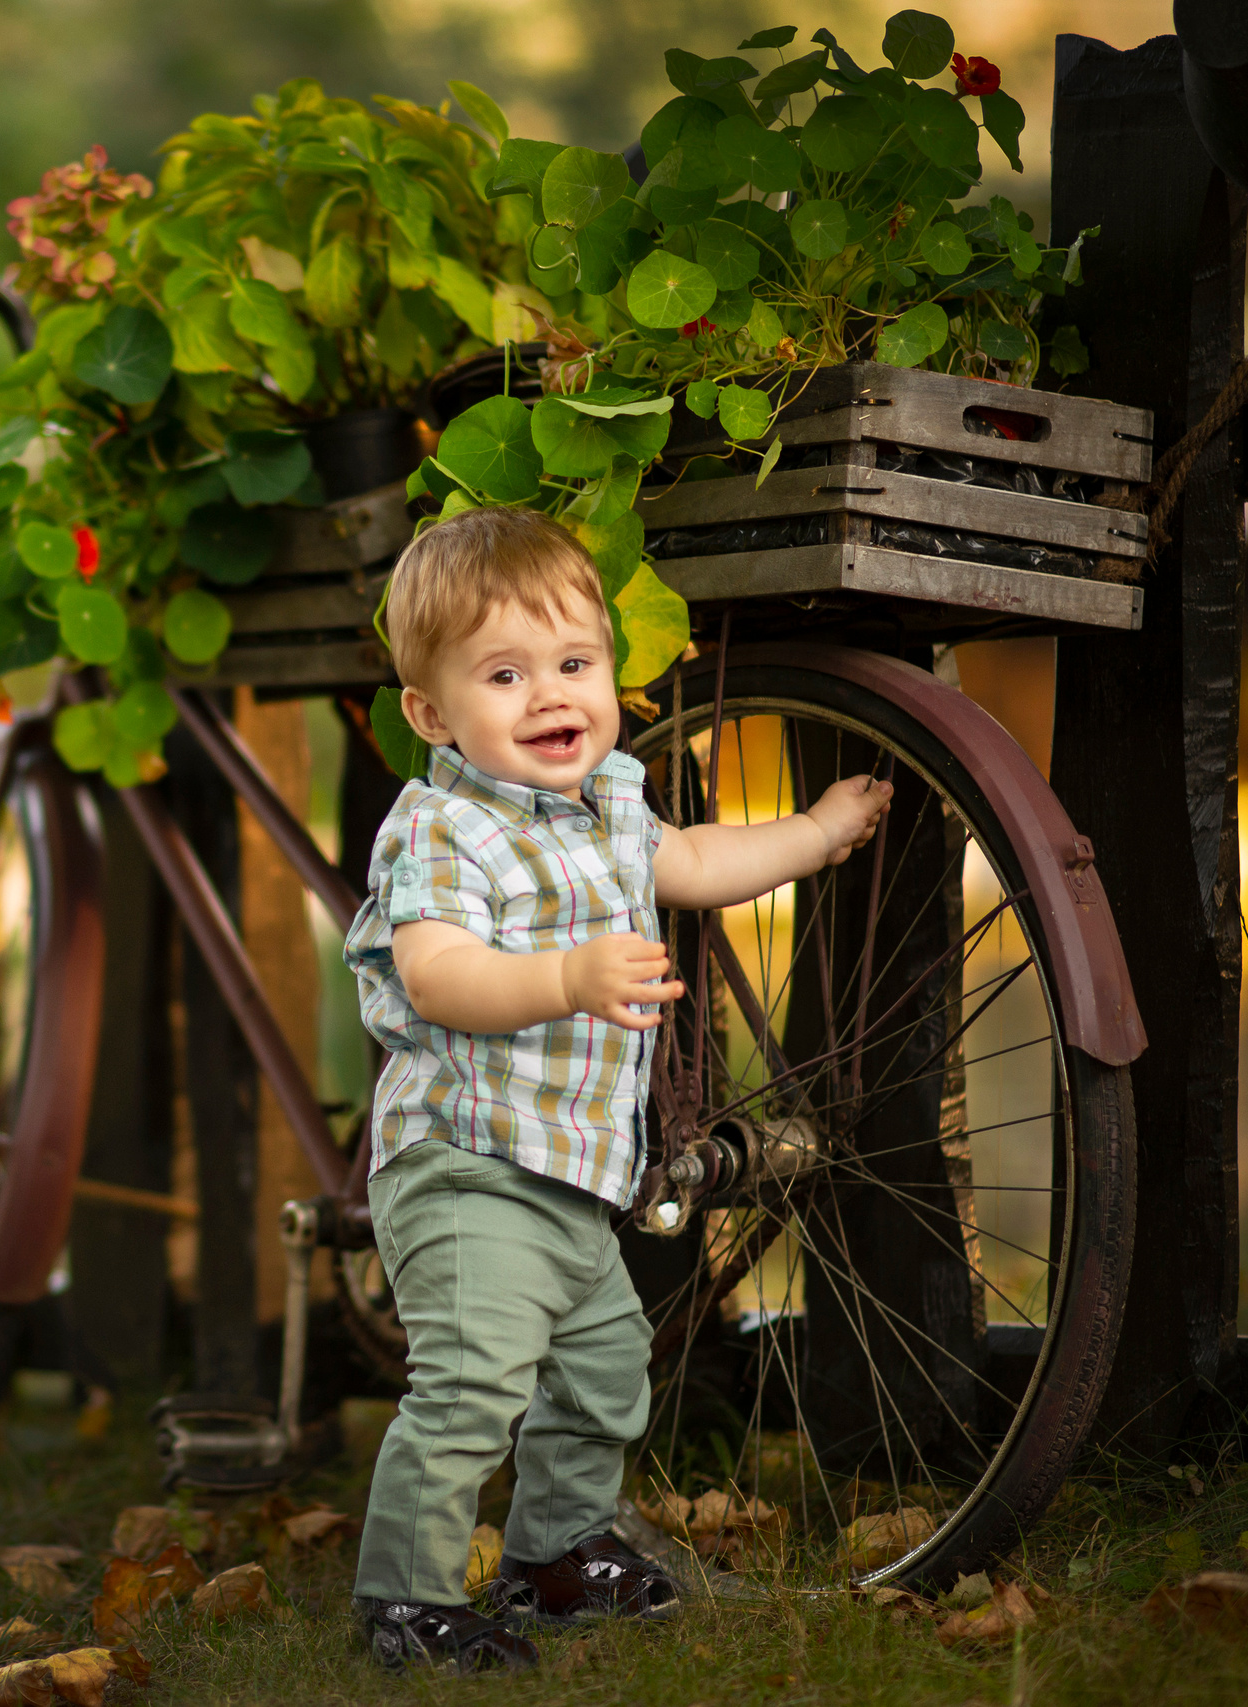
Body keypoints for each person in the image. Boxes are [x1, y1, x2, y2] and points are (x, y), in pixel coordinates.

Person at [344, 505, 892, 1674]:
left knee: (603, 1369)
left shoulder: (610, 804)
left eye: (573, 664)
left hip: (569, 1174)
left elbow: (692, 861)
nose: (549, 696)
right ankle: (405, 1598)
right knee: (470, 1389)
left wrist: (810, 834)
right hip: (468, 1167)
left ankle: (553, 1553)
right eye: (504, 675)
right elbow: (437, 976)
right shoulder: (443, 830)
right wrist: (564, 978)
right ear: (431, 715)